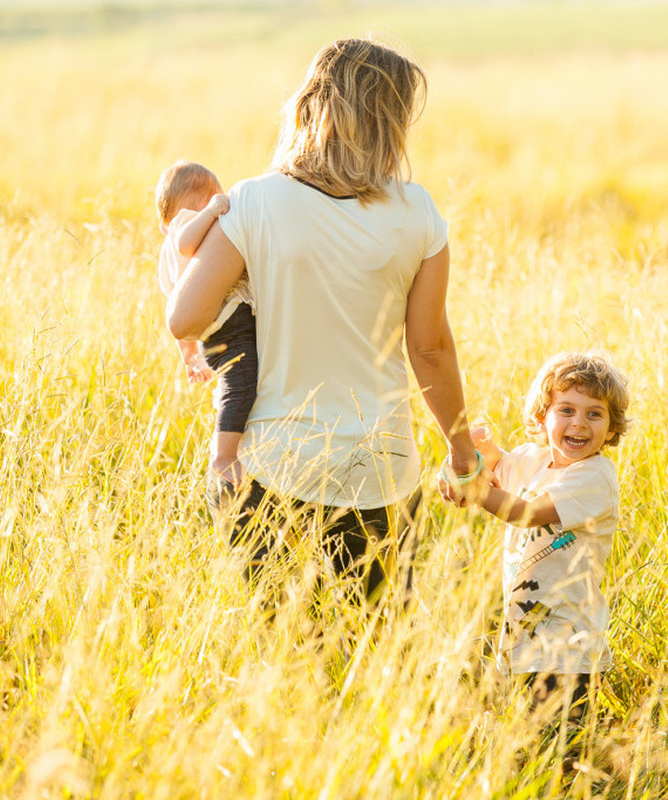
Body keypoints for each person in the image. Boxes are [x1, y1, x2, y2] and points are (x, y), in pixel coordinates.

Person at [165, 38, 479, 601]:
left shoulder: (254, 201)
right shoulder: (419, 213)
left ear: (311, 106)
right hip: (381, 474)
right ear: (390, 121)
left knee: (283, 661)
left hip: (269, 469)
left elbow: (185, 319)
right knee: (373, 654)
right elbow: (429, 349)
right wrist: (462, 455)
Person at [467, 352, 630, 730]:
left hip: (567, 648)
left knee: (561, 751)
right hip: (522, 637)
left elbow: (524, 512)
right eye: (567, 410)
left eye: (594, 414)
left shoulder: (595, 477)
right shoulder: (530, 460)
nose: (579, 423)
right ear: (543, 417)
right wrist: (477, 458)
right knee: (525, 741)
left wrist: (475, 492)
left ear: (611, 428)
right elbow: (495, 470)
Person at [155, 160, 257, 488]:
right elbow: (187, 240)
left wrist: (189, 356)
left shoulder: (165, 261)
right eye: (213, 196)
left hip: (212, 332)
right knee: (241, 383)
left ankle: (232, 445)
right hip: (228, 323)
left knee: (237, 383)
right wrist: (212, 212)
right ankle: (224, 454)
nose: (221, 202)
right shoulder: (186, 225)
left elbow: (178, 309)